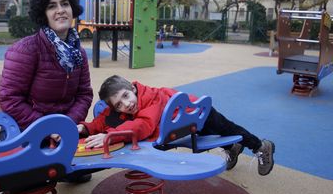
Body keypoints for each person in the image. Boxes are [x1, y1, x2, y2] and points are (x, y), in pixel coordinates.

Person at [0, 0, 93, 194]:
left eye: (65, 4)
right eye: (52, 6)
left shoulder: (78, 52)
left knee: (92, 151)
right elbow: (10, 99)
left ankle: (63, 168)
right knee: (31, 184)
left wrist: (64, 126)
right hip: (25, 129)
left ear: (73, 8)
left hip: (60, 130)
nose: (60, 10)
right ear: (42, 13)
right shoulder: (27, 49)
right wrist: (47, 129)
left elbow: (84, 94)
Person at [77, 75, 275, 176]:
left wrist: (110, 136)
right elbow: (104, 120)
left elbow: (143, 125)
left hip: (197, 113)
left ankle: (260, 146)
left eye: (126, 96)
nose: (126, 105)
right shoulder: (122, 108)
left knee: (227, 129)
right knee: (212, 136)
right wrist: (85, 128)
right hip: (181, 121)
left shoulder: (151, 98)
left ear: (132, 88)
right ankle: (231, 147)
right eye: (119, 104)